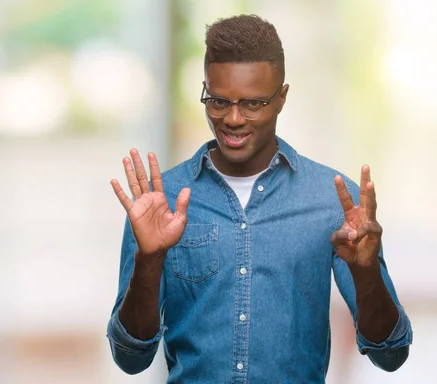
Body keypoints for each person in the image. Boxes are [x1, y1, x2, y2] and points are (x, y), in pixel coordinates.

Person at [106, 14, 412, 383]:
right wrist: (149, 261)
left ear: (281, 98)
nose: (233, 119)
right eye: (218, 101)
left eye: (253, 103)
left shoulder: (334, 202)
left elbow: (391, 355)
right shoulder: (160, 203)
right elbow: (130, 359)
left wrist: (366, 275)